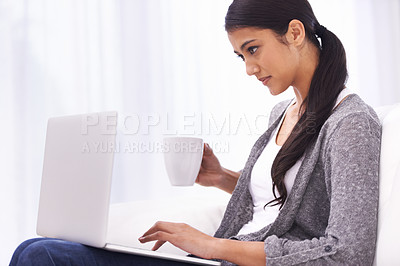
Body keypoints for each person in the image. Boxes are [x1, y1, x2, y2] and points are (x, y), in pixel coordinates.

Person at [10, 0, 381, 265]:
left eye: (253, 49)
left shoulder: (350, 123)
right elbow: (280, 198)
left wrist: (212, 246)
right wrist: (222, 177)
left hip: (229, 258)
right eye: (241, 56)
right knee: (35, 249)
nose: (250, 68)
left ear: (295, 32)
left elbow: (348, 253)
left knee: (40, 256)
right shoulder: (282, 112)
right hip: (220, 257)